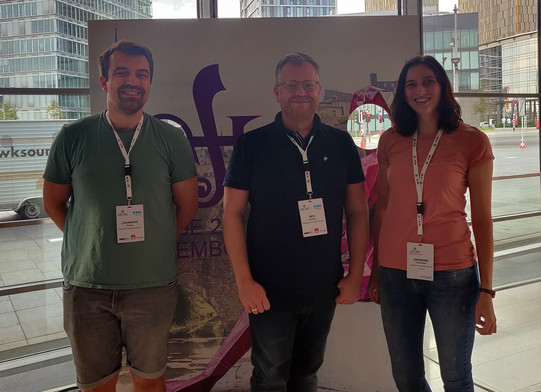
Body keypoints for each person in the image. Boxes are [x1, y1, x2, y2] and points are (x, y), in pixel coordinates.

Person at [43, 40, 198, 392]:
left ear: (149, 83)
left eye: (142, 74)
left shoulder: (171, 140)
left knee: (150, 382)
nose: (133, 81)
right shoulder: (72, 137)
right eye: (122, 72)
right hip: (87, 288)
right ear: (103, 81)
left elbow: (187, 207)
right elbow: (53, 202)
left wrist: (155, 243)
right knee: (96, 386)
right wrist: (89, 240)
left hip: (152, 287)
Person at [222, 52, 369, 391]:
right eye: (291, 85)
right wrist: (244, 281)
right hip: (269, 289)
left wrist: (355, 274)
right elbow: (231, 214)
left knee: (307, 373)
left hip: (323, 286)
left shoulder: (341, 143)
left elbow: (358, 212)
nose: (300, 92)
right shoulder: (251, 145)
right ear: (277, 92)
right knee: (270, 375)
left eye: (308, 84)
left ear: (319, 89)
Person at [368, 55, 497, 392]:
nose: (420, 90)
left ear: (442, 87)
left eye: (428, 82)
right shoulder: (390, 141)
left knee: (455, 376)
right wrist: (377, 272)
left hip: (453, 274)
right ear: (403, 92)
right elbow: (382, 208)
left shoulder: (472, 141)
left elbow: (482, 218)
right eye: (411, 84)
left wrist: (486, 290)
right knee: (405, 377)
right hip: (396, 272)